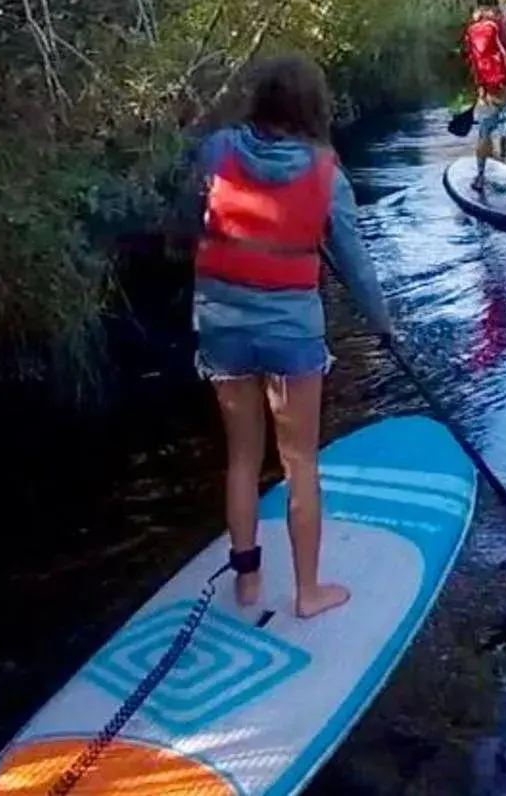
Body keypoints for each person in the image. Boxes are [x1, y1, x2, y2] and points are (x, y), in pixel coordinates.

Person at [185, 53, 393, 619]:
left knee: (242, 459)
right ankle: (307, 594)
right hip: (291, 332)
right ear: (311, 106)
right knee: (299, 462)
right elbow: (356, 264)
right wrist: (382, 325)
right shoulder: (327, 171)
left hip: (222, 322)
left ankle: (247, 583)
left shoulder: (218, 148)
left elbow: (193, 212)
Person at [462, 0, 506, 196]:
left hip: (487, 91)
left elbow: (467, 56)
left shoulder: (473, 27)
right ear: (496, 5)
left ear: (479, 6)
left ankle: (480, 177)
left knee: (484, 133)